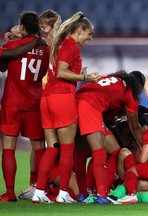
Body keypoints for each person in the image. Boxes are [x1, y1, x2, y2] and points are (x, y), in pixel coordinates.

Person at [32, 12, 100, 204]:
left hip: (46, 99)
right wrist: (85, 78)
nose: (90, 38)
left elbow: (60, 70)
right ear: (79, 30)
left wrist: (78, 74)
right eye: (89, 33)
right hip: (62, 98)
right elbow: (62, 72)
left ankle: (39, 192)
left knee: (52, 148)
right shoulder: (70, 45)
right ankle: (63, 194)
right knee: (68, 148)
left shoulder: (59, 43)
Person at [0, 11, 50, 202]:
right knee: (39, 148)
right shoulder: (46, 50)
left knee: (8, 148)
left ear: (22, 27)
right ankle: (39, 189)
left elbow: (3, 67)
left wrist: (11, 40)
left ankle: (10, 192)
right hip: (35, 102)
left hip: (12, 102)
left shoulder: (11, 46)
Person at [75, 70, 145, 204]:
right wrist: (146, 147)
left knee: (81, 152)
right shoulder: (129, 93)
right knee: (107, 152)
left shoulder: (110, 80)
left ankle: (83, 193)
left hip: (76, 100)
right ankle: (101, 194)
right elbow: (135, 127)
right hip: (90, 106)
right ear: (138, 87)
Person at [17, 9, 62, 200]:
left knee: (49, 145)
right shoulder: (41, 42)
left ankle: (44, 184)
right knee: (39, 144)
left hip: (50, 97)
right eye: (39, 26)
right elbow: (15, 29)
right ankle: (35, 184)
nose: (41, 30)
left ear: (53, 28)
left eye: (44, 27)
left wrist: (53, 28)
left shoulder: (54, 45)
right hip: (41, 97)